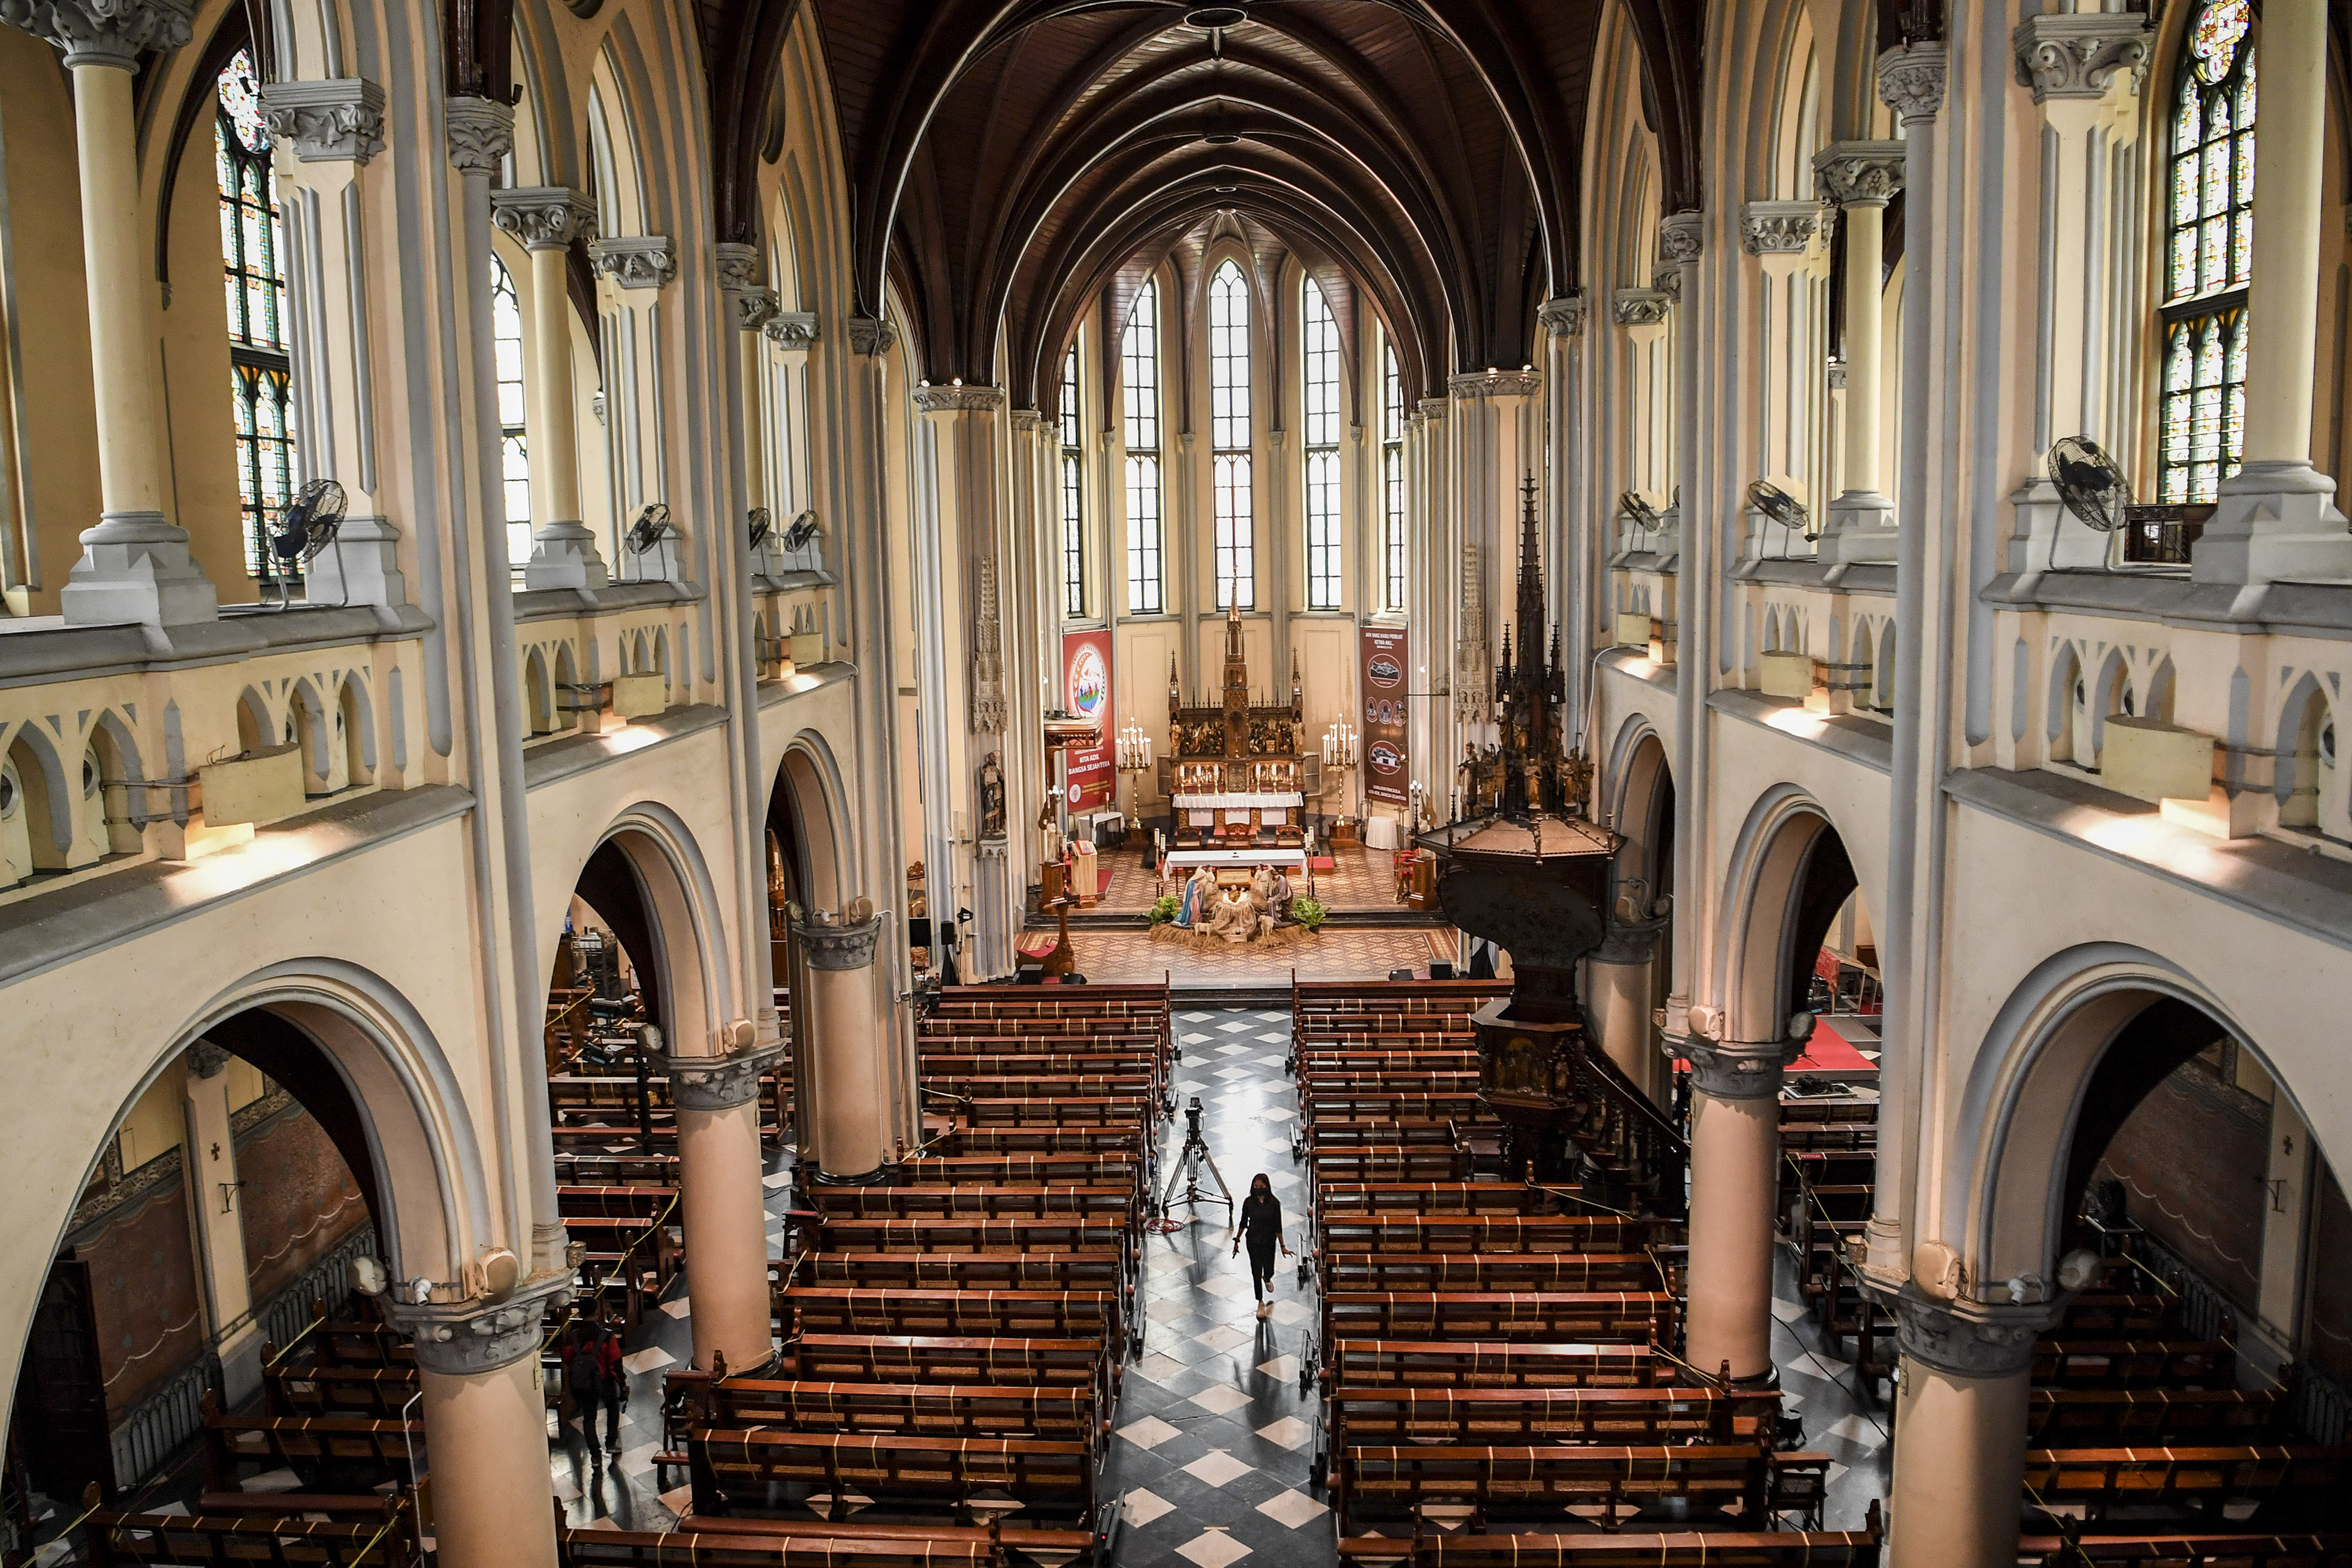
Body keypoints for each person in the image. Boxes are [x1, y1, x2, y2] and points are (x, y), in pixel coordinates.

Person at [560, 1318, 626, 1463]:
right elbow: (615, 1362)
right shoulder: (607, 1336)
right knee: (613, 1409)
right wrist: (622, 1383)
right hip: (605, 1381)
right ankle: (611, 1443)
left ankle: (595, 1454)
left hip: (584, 1383)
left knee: (589, 1417)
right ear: (596, 1314)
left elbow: (567, 1358)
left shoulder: (573, 1337)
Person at [1233, 1173, 1292, 1319]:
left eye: (1261, 1186)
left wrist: (1283, 1245)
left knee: (1269, 1268)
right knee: (1255, 1270)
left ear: (1267, 1186)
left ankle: (1267, 1278)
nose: (1258, 1188)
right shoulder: (1248, 1202)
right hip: (1253, 1240)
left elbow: (1278, 1226)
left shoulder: (1274, 1203)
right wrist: (1237, 1241)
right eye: (1256, 1186)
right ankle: (1260, 1301)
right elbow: (1243, 1222)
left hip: (1269, 1240)